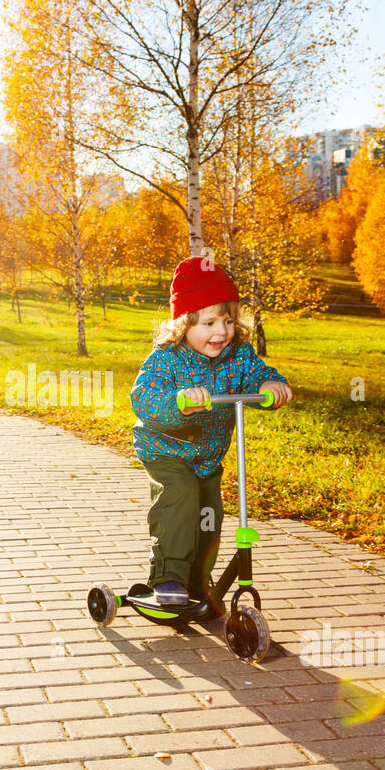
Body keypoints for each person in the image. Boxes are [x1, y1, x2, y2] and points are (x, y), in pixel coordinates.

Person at [129, 256, 293, 607]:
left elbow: (258, 375)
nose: (221, 332)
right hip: (165, 451)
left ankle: (197, 582)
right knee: (181, 499)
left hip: (207, 457)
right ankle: (168, 578)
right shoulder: (166, 358)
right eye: (209, 322)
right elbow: (142, 399)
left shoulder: (238, 355)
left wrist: (271, 385)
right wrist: (180, 403)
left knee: (208, 516)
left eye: (228, 320)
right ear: (184, 322)